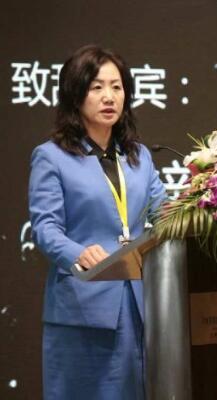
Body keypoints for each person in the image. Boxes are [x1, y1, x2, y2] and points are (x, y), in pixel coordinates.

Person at [28, 45, 166, 399]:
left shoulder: (139, 157)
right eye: (97, 87)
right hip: (83, 305)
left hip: (139, 304)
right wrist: (77, 253)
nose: (109, 97)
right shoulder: (51, 157)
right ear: (76, 95)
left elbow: (164, 215)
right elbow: (45, 228)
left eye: (117, 87)